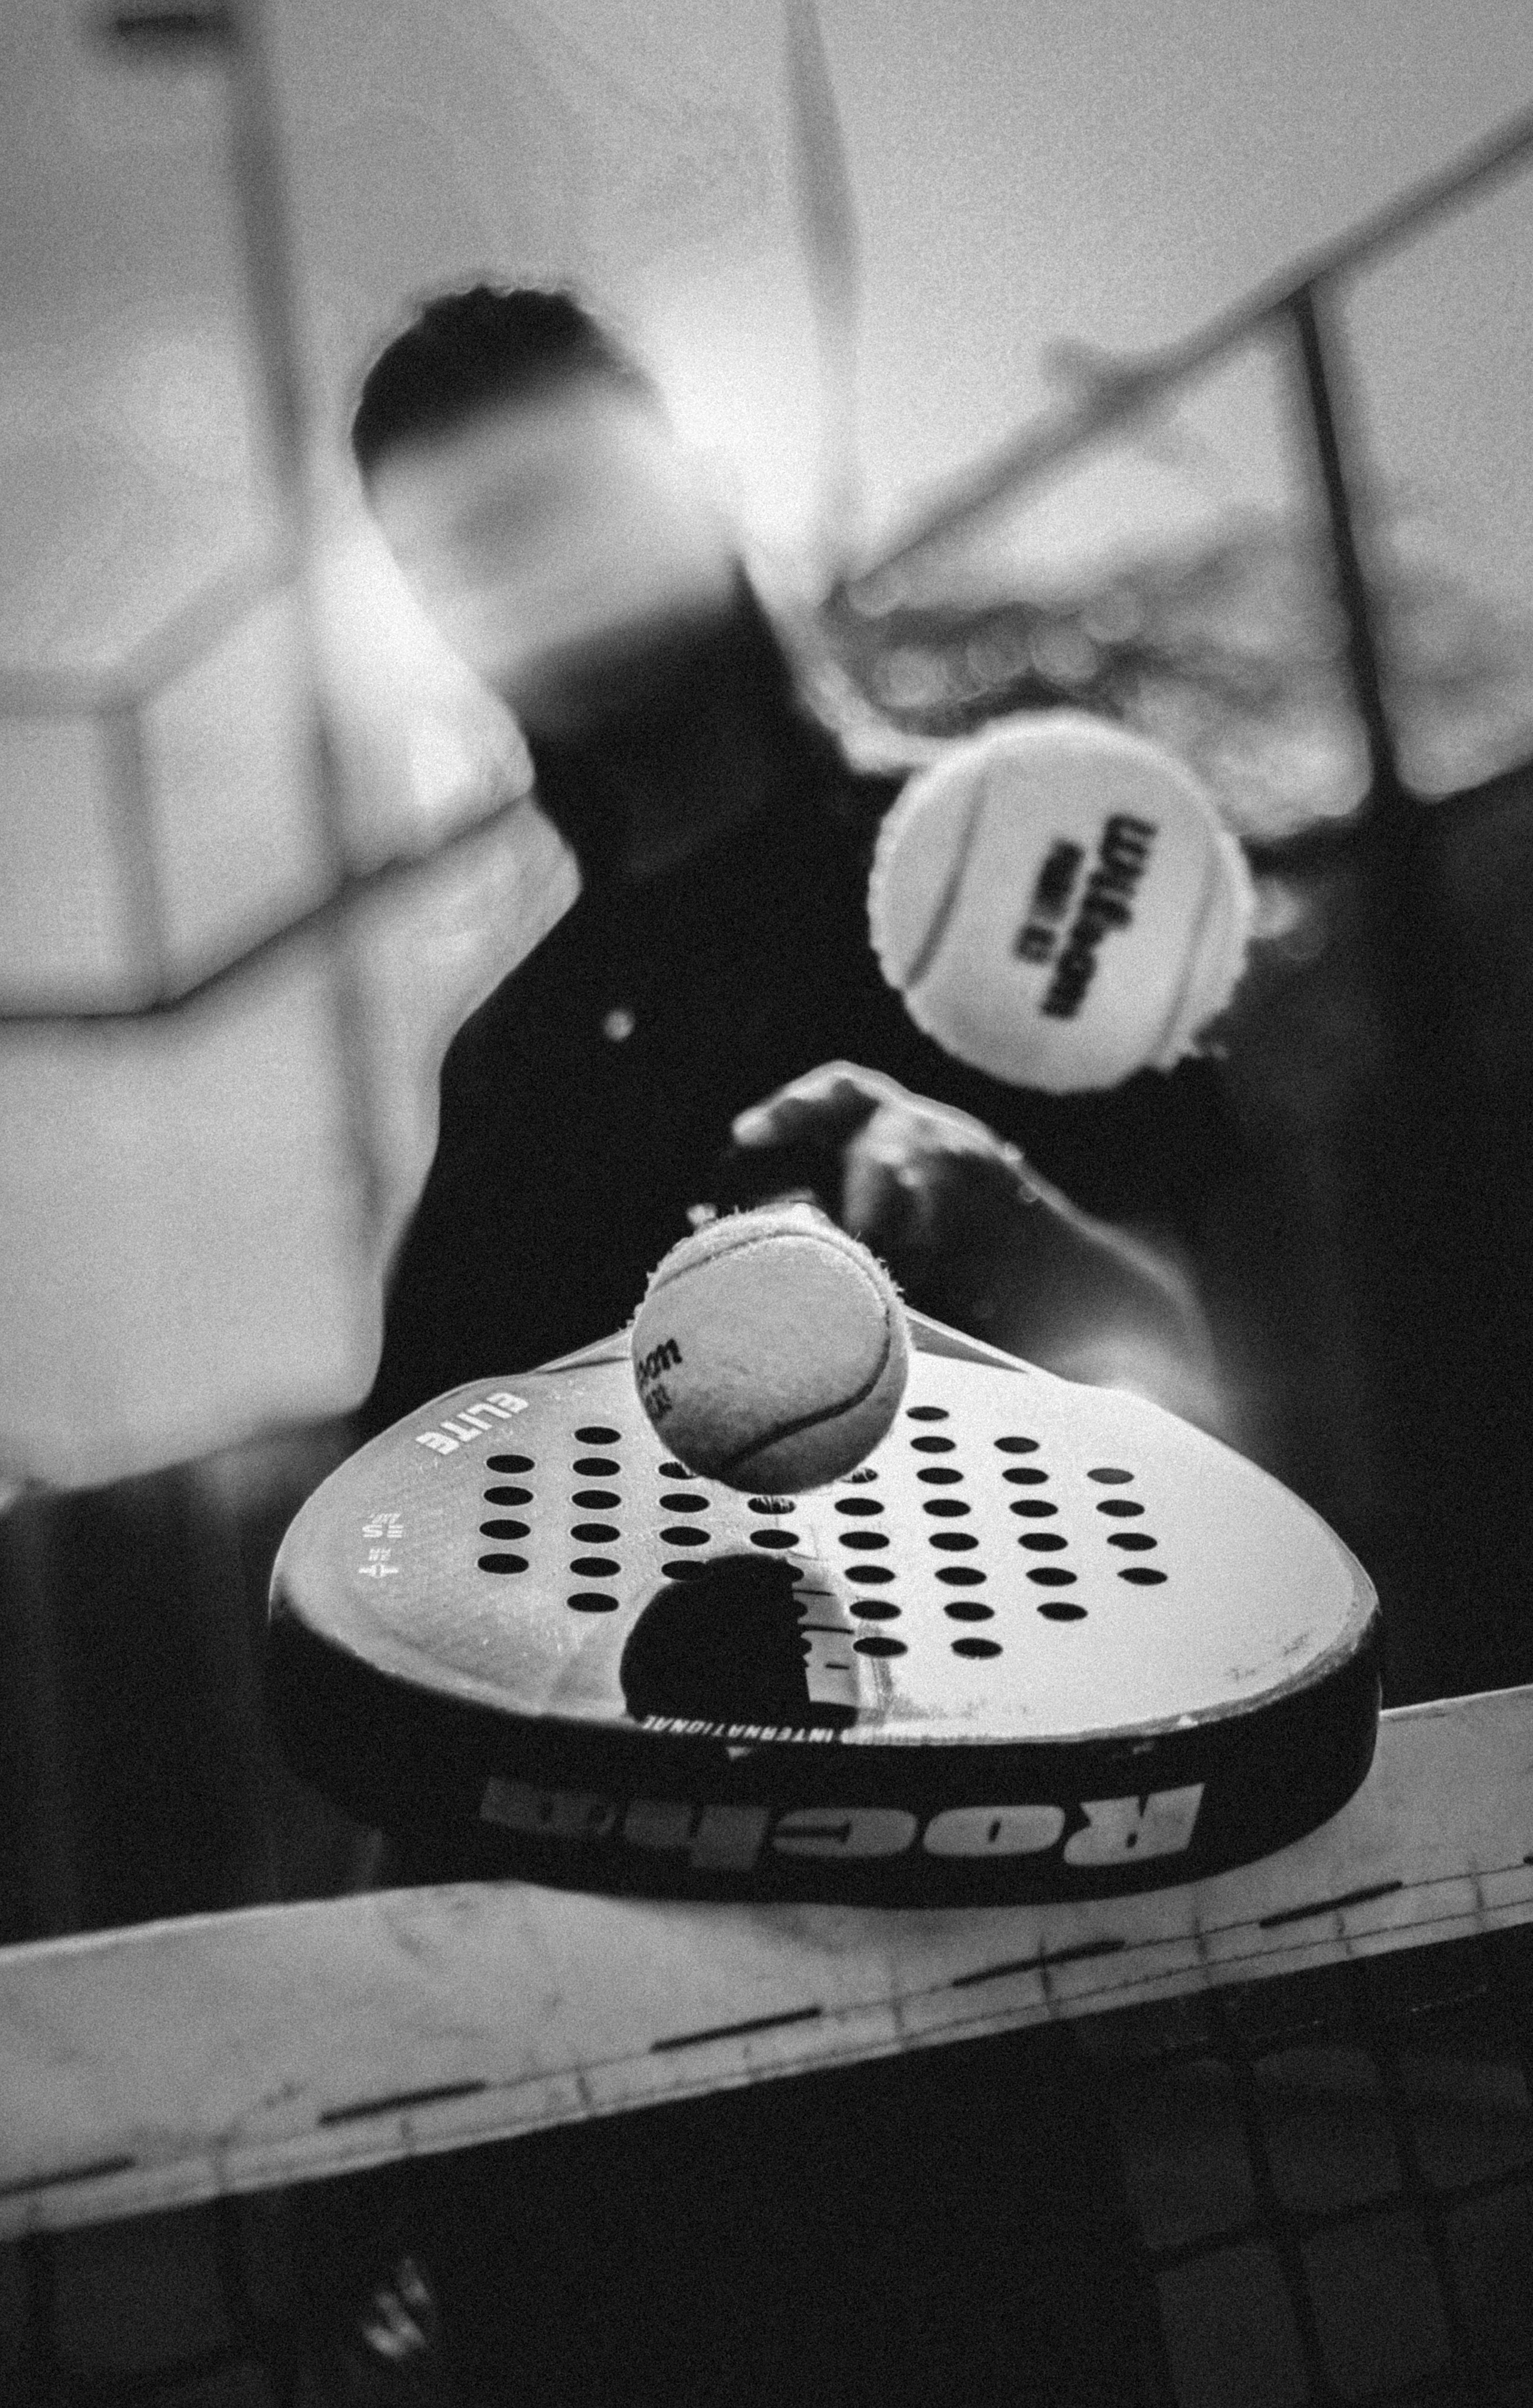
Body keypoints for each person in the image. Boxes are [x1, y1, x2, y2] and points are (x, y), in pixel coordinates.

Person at [310, 280, 1239, 2406]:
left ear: (683, 480)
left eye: (551, 495)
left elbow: (1216, 1394)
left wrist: (1001, 1223)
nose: (511, 576)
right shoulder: (517, 1066)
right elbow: (416, 1620)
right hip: (578, 2090)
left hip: (949, 2044)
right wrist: (371, 2110)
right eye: (452, 548)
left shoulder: (1016, 868)